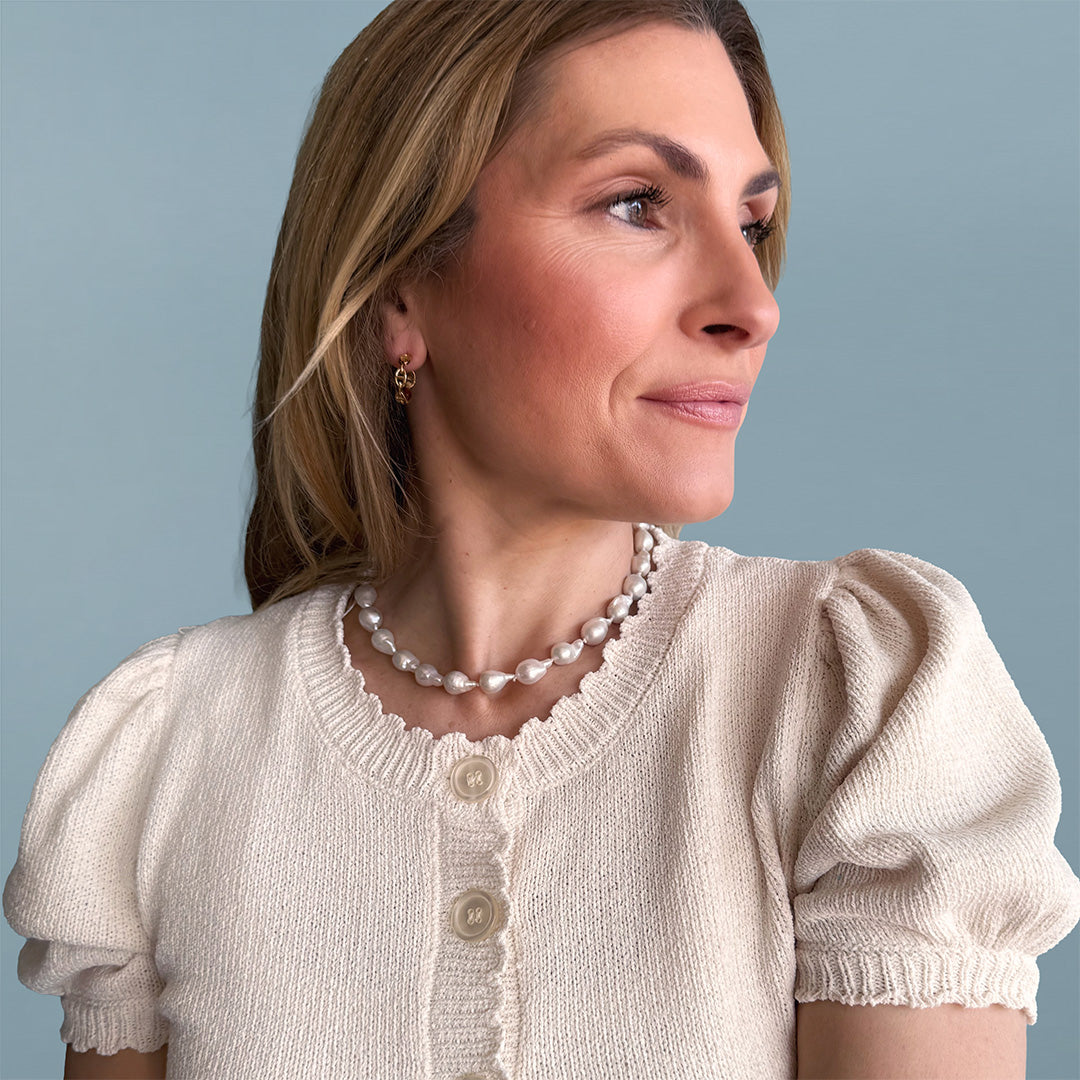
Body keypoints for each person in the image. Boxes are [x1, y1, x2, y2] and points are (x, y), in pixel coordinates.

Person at [5, 1, 1079, 1077]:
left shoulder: (850, 703)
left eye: (752, 224)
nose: (752, 305)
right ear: (400, 290)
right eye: (637, 205)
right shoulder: (167, 752)